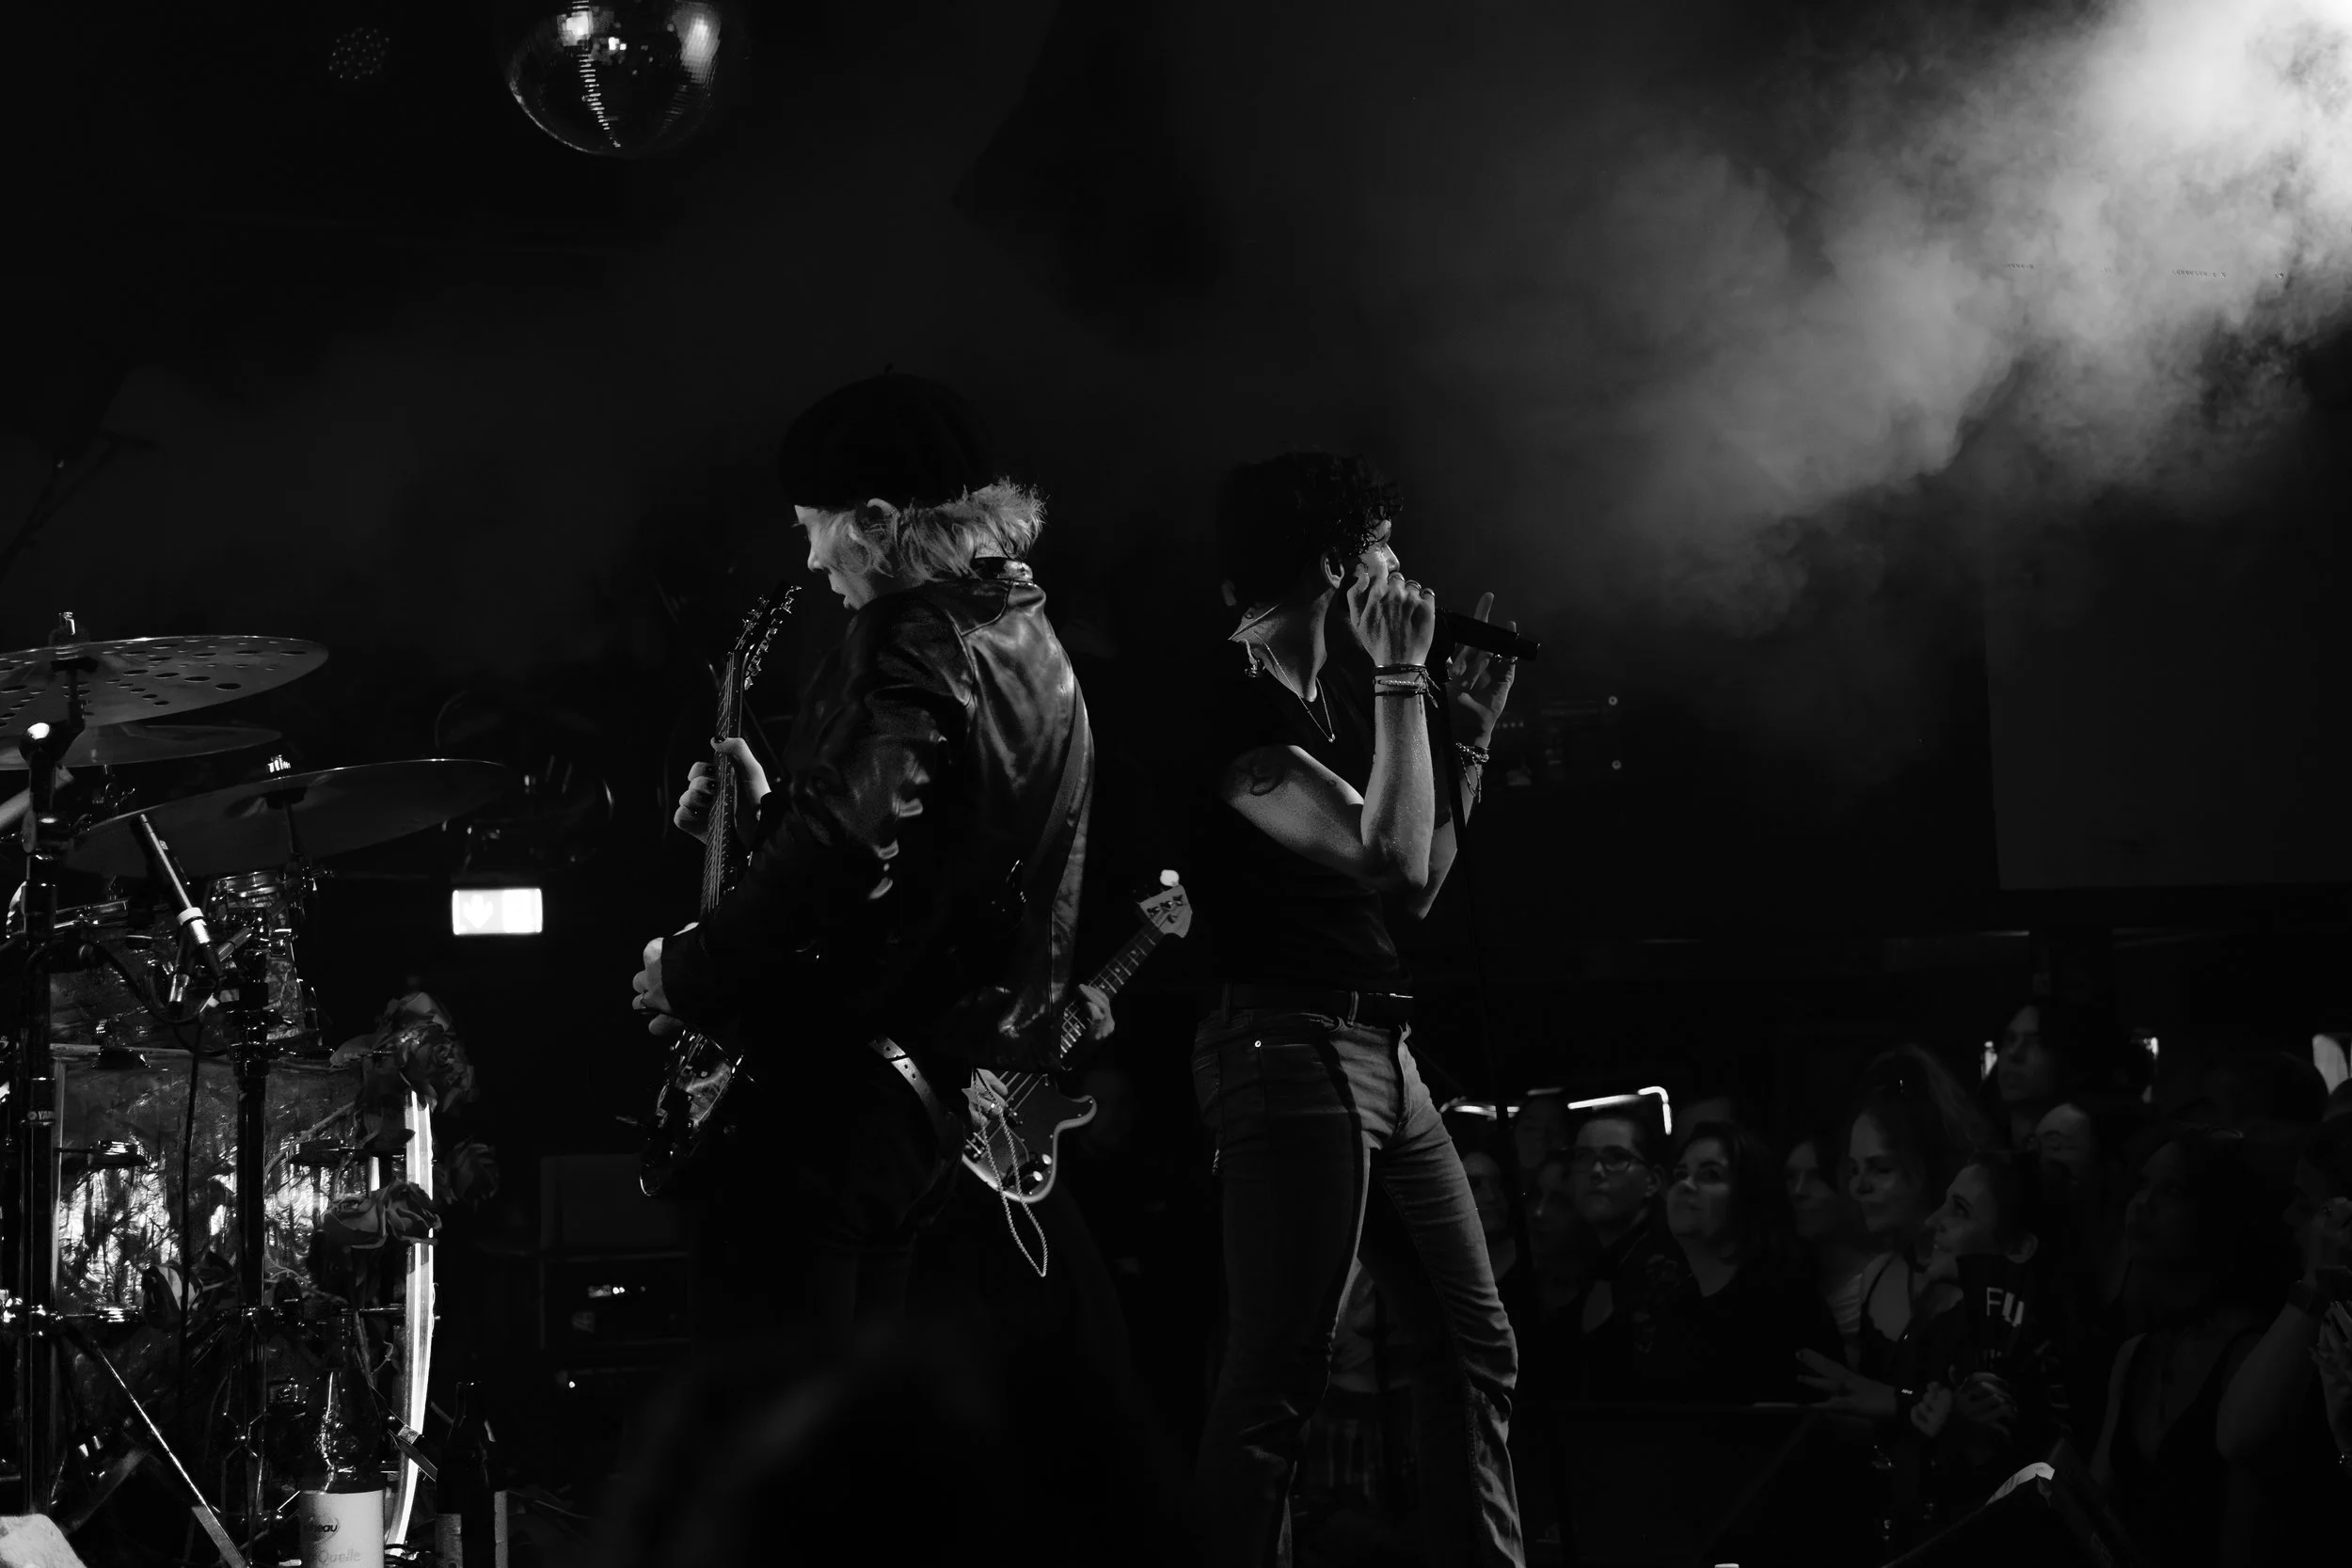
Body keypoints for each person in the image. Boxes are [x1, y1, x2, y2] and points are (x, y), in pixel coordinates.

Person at [630, 372, 1098, 1338]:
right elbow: (933, 854)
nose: (810, 560)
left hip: (839, 1099)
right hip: (929, 1093)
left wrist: (693, 969)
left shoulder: (913, 629)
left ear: (878, 521)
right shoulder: (1025, 632)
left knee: (776, 1399)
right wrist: (771, 812)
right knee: (852, 1400)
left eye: (815, 527)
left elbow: (844, 847)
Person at [1186, 451, 1521, 1568]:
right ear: (1336, 562)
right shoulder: (1226, 702)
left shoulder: (1332, 697)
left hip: (1382, 1045)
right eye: (1383, 548)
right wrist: (1403, 676)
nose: (1404, 573)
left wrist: (1463, 734)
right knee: (1281, 1376)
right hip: (1286, 1046)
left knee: (1472, 1345)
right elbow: (1389, 856)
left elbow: (1418, 882)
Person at [2090, 1127, 2296, 1568]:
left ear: (2219, 1214)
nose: (2143, 1203)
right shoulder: (2136, 1354)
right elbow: (2094, 1515)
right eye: (2141, 1184)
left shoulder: (2250, 1358)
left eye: (2174, 1190)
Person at [1897, 1151, 2074, 1534]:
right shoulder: (1943, 1330)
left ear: (2019, 1248)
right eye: (1944, 1203)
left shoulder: (2054, 1353)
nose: (1932, 1221)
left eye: (1959, 1210)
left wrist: (1968, 1442)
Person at [1650, 1121, 1842, 1403]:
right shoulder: (1678, 1303)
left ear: (1749, 1196)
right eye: (1680, 1174)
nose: (1685, 1185)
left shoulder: (1783, 1304)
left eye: (1710, 1174)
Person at [1563, 1109, 1693, 1401]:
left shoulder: (1668, 1270)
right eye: (1583, 1157)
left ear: (1652, 1181)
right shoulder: (1582, 1264)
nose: (1596, 1171)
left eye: (1616, 1158)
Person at [1784, 1123, 1878, 1368]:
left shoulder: (1880, 1284)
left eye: (1816, 1178)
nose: (1798, 1191)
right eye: (1790, 1177)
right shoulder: (1786, 1279)